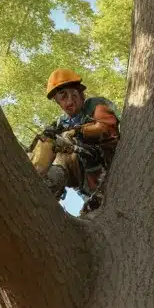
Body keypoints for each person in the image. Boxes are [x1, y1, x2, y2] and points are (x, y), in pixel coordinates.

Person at [35, 68, 120, 210]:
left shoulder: (95, 105)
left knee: (71, 149)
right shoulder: (61, 123)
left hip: (107, 162)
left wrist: (78, 131)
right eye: (63, 97)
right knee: (50, 145)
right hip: (82, 178)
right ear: (58, 102)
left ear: (81, 94)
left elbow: (105, 128)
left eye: (73, 94)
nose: (70, 101)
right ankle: (43, 183)